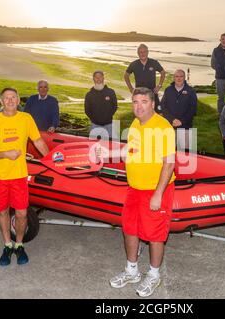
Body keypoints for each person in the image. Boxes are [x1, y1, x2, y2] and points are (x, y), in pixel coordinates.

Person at [109, 87, 176, 298]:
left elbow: (169, 164)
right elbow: (131, 151)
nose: (138, 106)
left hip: (156, 189)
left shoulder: (163, 127)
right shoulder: (135, 124)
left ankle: (154, 275)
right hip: (134, 188)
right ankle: (132, 271)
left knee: (155, 234)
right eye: (135, 102)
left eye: (143, 101)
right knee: (129, 228)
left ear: (153, 103)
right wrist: (108, 154)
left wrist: (158, 194)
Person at [0, 88, 49, 267]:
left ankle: (19, 244)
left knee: (22, 214)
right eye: (6, 98)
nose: (10, 100)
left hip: (19, 176)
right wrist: (5, 154)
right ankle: (8, 245)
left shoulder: (26, 119)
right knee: (2, 211)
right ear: (1, 102)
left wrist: (50, 162)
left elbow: (38, 141)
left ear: (18, 101)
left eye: (13, 97)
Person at [161, 69, 198, 150]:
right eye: (176, 76)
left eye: (181, 76)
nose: (179, 78)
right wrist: (172, 119)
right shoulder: (168, 90)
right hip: (169, 126)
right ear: (173, 78)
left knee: (184, 155)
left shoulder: (191, 91)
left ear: (184, 78)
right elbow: (163, 107)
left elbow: (193, 109)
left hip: (185, 126)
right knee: (168, 153)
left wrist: (181, 121)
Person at [124, 44, 166, 113]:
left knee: (157, 113)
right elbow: (126, 75)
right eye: (140, 52)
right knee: (141, 113)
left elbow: (163, 72)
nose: (143, 54)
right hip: (139, 94)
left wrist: (159, 85)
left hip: (152, 93)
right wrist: (131, 88)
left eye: (144, 52)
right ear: (138, 53)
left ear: (147, 52)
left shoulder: (154, 62)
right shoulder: (134, 64)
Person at [84, 70, 118, 140]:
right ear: (93, 79)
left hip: (109, 125)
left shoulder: (111, 92)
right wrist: (94, 119)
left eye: (100, 77)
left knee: (111, 146)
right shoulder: (89, 94)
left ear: (103, 78)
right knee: (93, 146)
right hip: (95, 125)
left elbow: (114, 106)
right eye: (96, 77)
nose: (98, 79)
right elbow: (87, 110)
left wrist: (107, 117)